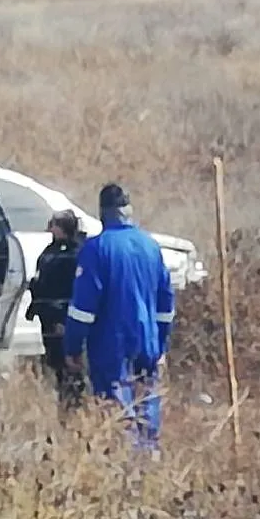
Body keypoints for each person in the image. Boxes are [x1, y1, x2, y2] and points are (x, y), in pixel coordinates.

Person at [63, 183, 176, 454]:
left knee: (116, 408)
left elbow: (83, 309)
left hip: (110, 342)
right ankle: (149, 460)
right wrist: (161, 343)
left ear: (102, 212)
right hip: (147, 339)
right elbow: (165, 303)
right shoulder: (150, 246)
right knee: (146, 400)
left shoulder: (96, 249)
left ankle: (124, 464)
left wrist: (72, 347)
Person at [25, 209, 88, 407]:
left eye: (54, 225)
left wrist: (62, 319)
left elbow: (70, 289)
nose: (50, 229)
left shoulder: (74, 254)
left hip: (62, 317)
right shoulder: (52, 250)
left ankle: (73, 404)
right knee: (55, 364)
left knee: (69, 367)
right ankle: (65, 402)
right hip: (48, 316)